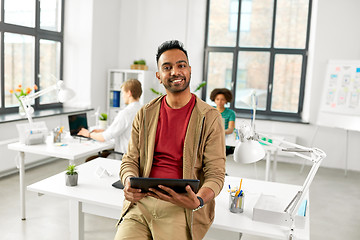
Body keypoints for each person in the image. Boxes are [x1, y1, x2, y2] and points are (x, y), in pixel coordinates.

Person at [114, 40, 226, 240]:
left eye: (181, 65)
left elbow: (216, 173)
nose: (175, 71)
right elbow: (130, 159)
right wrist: (128, 181)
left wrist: (199, 200)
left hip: (180, 208)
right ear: (158, 76)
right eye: (167, 67)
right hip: (141, 205)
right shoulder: (145, 114)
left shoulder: (209, 117)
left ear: (190, 70)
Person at [77, 79, 142, 159]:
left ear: (129, 93)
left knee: (90, 159)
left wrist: (88, 134)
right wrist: (105, 130)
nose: (122, 96)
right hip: (138, 157)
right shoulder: (144, 110)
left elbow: (104, 138)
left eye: (122, 93)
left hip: (123, 157)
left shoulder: (125, 113)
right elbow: (126, 130)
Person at [210, 88, 236, 155]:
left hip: (224, 139)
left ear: (226, 100)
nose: (219, 102)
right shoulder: (210, 111)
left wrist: (221, 132)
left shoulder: (231, 113)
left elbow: (231, 129)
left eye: (222, 99)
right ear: (214, 100)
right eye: (217, 99)